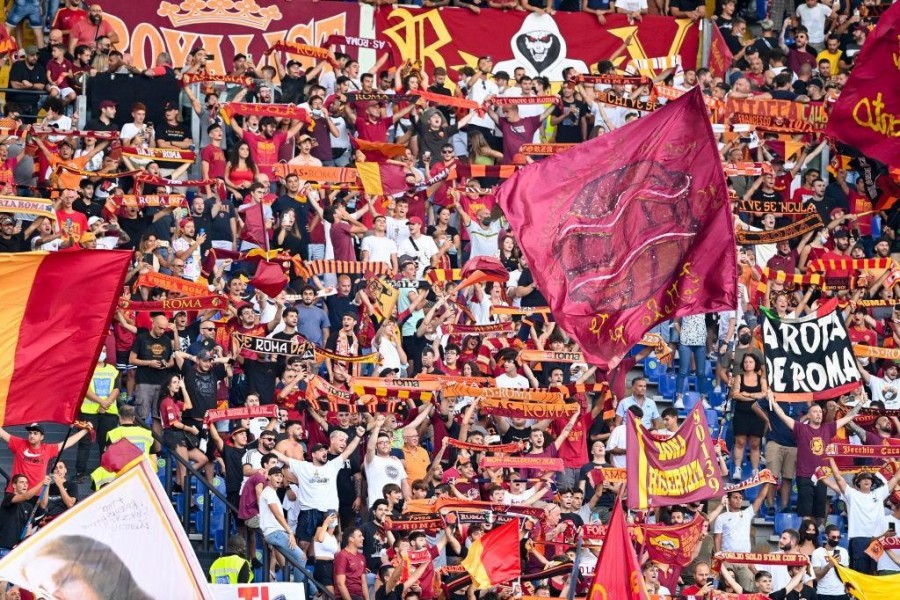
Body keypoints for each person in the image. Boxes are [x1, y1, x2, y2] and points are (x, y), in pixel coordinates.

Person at [285, 427, 365, 558]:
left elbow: (349, 451)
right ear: (313, 454)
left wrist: (358, 436)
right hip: (309, 510)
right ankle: (301, 570)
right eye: (320, 450)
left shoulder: (332, 465)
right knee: (304, 544)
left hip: (330, 510)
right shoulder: (303, 466)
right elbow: (284, 460)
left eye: (325, 450)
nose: (324, 452)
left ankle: (328, 567)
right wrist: (270, 448)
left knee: (331, 541)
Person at [0, 423, 88, 491]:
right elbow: (3, 433)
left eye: (35, 433)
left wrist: (86, 430)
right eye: (30, 433)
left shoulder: (48, 449)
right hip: (16, 492)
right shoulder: (19, 443)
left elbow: (67, 443)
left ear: (42, 437)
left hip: (36, 494)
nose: (32, 435)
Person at [259, 466, 306, 583]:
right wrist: (290, 532)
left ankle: (311, 589)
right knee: (301, 557)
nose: (279, 478)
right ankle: (300, 588)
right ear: (269, 477)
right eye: (276, 475)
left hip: (276, 532)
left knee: (294, 562)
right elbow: (277, 515)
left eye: (281, 476)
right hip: (275, 533)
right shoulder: (268, 493)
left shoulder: (272, 493)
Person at [729, 353, 768, 480]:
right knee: (740, 441)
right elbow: (735, 394)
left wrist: (748, 395)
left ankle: (755, 470)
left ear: (755, 363)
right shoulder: (739, 377)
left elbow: (764, 394)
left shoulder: (761, 379)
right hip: (741, 413)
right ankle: (737, 468)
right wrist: (753, 397)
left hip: (757, 414)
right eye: (746, 362)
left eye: (750, 362)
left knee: (755, 443)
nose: (748, 364)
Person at [0, 474, 47, 556]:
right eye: (22, 482)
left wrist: (23, 544)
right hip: (2, 548)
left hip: (16, 551)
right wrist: (42, 483)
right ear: (14, 485)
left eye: (26, 483)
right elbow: (26, 496)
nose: (25, 485)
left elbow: (28, 531)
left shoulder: (28, 507)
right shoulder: (8, 498)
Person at [810, 525, 849, 600]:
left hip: (841, 593)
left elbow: (847, 574)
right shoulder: (818, 552)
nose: (836, 539)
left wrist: (847, 588)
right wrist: (829, 566)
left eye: (838, 537)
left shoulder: (843, 552)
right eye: (834, 537)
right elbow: (816, 577)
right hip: (824, 594)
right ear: (826, 536)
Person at [335, 527, 369, 600]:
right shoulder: (342, 555)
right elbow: (340, 583)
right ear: (351, 539)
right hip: (346, 596)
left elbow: (363, 582)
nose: (363, 538)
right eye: (360, 536)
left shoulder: (362, 557)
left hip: (359, 596)